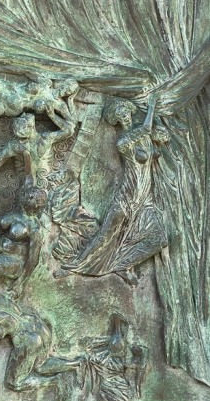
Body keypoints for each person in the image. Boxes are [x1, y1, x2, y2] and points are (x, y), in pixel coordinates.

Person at [60, 97, 168, 284]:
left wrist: (161, 135)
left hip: (144, 200)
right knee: (105, 236)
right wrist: (151, 107)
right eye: (119, 115)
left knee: (159, 239)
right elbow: (145, 128)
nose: (124, 116)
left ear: (130, 112)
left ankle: (122, 264)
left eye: (125, 111)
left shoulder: (145, 141)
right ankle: (77, 266)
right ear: (117, 121)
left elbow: (155, 144)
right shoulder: (124, 142)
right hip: (127, 199)